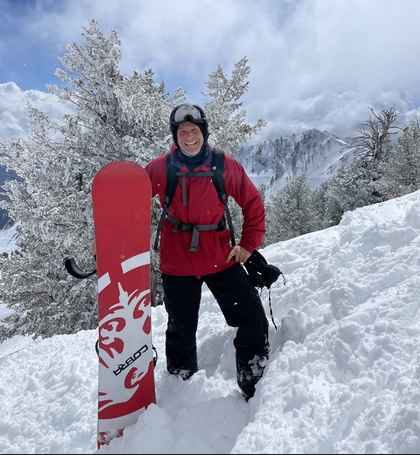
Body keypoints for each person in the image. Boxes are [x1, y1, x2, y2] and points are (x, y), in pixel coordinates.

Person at [145, 103, 269, 399]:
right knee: (181, 331)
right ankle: (181, 390)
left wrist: (248, 245)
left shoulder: (224, 165)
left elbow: (253, 203)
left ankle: (253, 379)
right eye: (183, 132)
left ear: (204, 132)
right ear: (175, 136)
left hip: (220, 258)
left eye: (194, 131)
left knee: (252, 317)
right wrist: (106, 237)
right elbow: (127, 199)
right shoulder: (159, 168)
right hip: (177, 265)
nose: (189, 137)